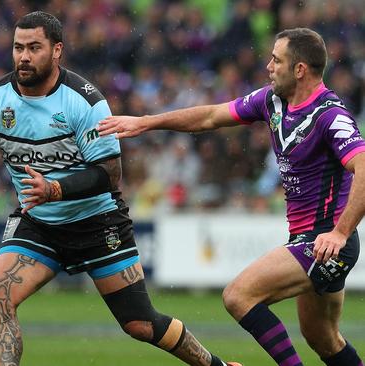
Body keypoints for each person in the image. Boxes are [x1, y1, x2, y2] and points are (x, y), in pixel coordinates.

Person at [0, 10, 240, 366]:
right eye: (18, 47)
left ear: (57, 50)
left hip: (97, 220)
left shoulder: (84, 101)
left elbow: (110, 174)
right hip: (39, 221)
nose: (24, 57)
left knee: (139, 323)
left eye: (34, 48)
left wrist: (55, 189)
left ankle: (215, 365)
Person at [98, 28, 365, 366]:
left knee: (238, 296)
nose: (268, 65)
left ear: (300, 69)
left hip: (326, 242)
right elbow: (210, 116)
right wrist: (147, 122)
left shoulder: (330, 115)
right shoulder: (271, 101)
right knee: (323, 339)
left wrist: (340, 232)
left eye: (277, 60)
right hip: (310, 239)